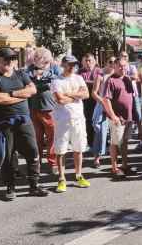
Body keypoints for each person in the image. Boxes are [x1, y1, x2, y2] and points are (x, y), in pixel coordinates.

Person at [0, 48, 48, 199]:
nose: (9, 62)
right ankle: (10, 188)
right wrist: (22, 96)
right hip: (4, 123)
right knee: (8, 156)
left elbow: (32, 90)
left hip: (24, 120)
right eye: (6, 59)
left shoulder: (21, 74)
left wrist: (12, 94)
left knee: (33, 152)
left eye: (12, 59)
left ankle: (34, 186)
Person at [51, 55, 91, 193]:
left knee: (78, 148)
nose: (73, 66)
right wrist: (76, 95)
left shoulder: (79, 78)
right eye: (70, 64)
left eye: (74, 64)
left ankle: (78, 175)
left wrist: (69, 94)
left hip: (78, 119)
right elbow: (60, 100)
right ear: (63, 64)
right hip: (62, 120)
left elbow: (86, 94)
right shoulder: (57, 81)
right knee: (61, 150)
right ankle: (62, 178)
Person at [101, 58, 138, 177]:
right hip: (117, 118)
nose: (123, 68)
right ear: (115, 67)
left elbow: (131, 98)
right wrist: (113, 116)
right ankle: (114, 167)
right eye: (120, 66)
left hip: (128, 117)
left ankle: (125, 166)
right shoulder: (110, 80)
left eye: (124, 66)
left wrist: (134, 115)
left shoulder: (127, 79)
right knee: (115, 143)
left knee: (124, 142)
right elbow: (106, 100)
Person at [26, 48, 58, 175]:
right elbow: (26, 80)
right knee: (36, 138)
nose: (38, 62)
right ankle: (36, 163)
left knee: (52, 138)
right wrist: (41, 81)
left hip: (50, 108)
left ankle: (53, 163)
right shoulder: (30, 68)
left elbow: (58, 79)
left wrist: (41, 76)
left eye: (42, 60)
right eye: (37, 59)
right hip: (33, 108)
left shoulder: (54, 67)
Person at [90, 56, 116, 168]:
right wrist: (103, 102)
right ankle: (97, 158)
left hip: (114, 106)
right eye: (110, 61)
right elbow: (94, 93)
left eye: (115, 62)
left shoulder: (116, 75)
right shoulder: (100, 76)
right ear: (106, 62)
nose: (112, 63)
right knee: (100, 132)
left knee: (116, 132)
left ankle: (115, 157)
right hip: (102, 106)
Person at [79, 54, 103, 148]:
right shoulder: (80, 72)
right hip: (85, 100)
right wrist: (93, 82)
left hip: (97, 99)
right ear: (82, 62)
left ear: (94, 61)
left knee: (98, 121)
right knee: (88, 121)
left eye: (90, 60)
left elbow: (102, 81)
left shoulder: (98, 71)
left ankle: (101, 141)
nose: (88, 63)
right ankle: (90, 142)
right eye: (86, 61)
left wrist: (86, 82)